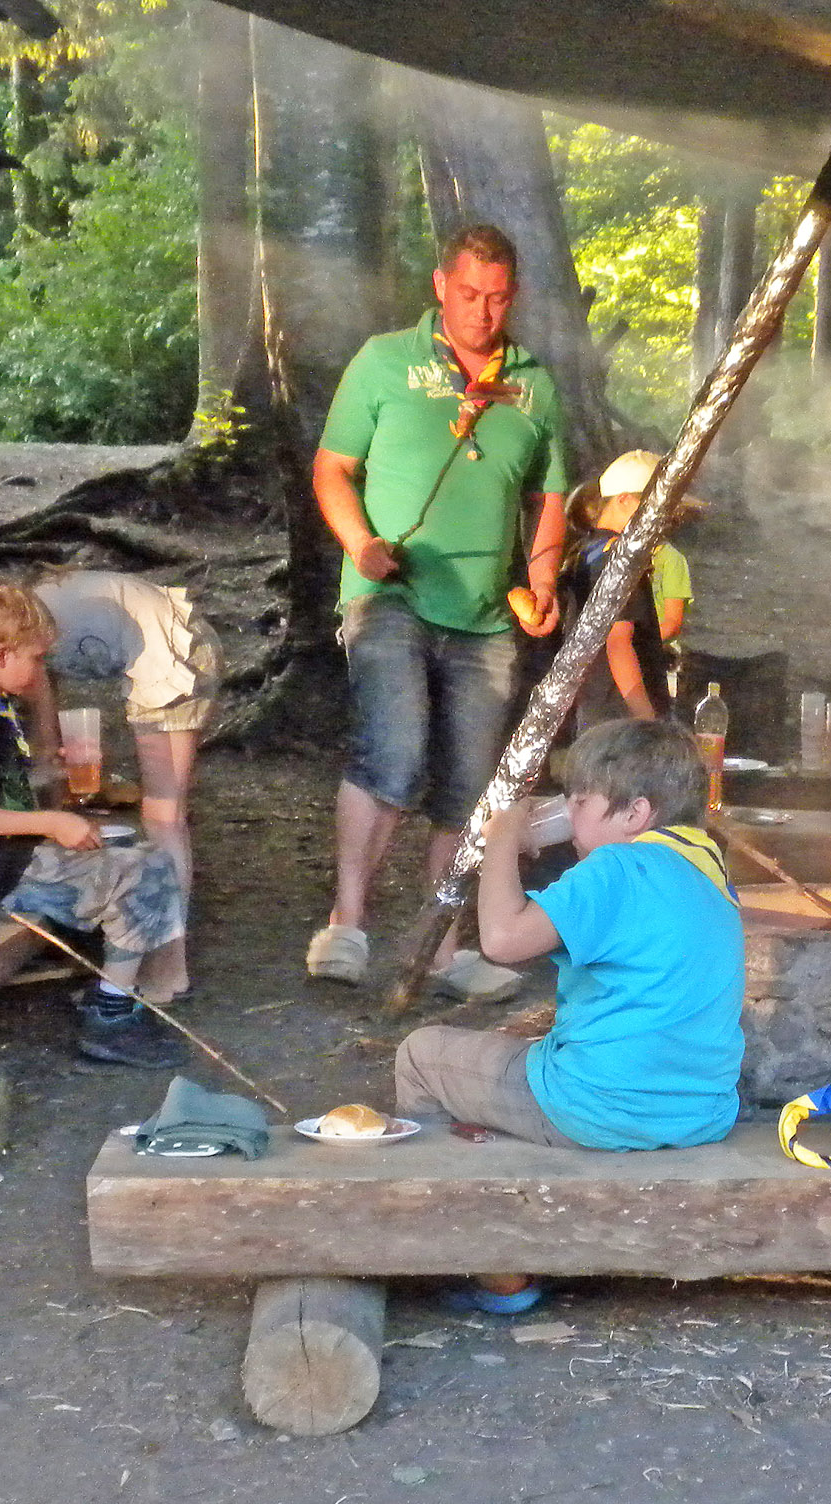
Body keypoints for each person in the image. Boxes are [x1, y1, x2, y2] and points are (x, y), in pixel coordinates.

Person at [394, 718, 744, 1313]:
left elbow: (502, 940)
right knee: (524, 1054)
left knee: (421, 1055)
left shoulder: (617, 869)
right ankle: (517, 1208)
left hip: (599, 1106)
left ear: (634, 814)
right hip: (699, 1111)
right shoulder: (711, 872)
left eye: (580, 801)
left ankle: (488, 1261)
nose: (568, 813)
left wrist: (501, 837)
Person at [307, 223, 571, 1004]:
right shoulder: (385, 360)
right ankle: (347, 924)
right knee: (394, 754)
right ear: (440, 287)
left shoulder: (533, 383)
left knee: (467, 787)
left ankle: (443, 947)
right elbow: (332, 469)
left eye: (497, 298)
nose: (482, 312)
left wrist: (542, 579)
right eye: (468, 294)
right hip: (391, 595)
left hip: (486, 616)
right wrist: (360, 545)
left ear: (513, 298)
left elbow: (549, 495)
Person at [0, 562, 218, 1001]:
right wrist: (53, 822)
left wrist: (52, 774)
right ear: (2, 656)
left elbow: (0, 786)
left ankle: (119, 991)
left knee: (143, 860)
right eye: (38, 659)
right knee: (142, 872)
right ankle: (115, 1000)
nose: (42, 669)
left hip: (11, 858)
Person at [561, 449, 692, 723]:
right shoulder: (620, 559)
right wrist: (647, 720)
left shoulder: (587, 550)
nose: (666, 518)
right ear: (623, 500)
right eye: (659, 506)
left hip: (594, 709)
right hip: (622, 719)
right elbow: (619, 643)